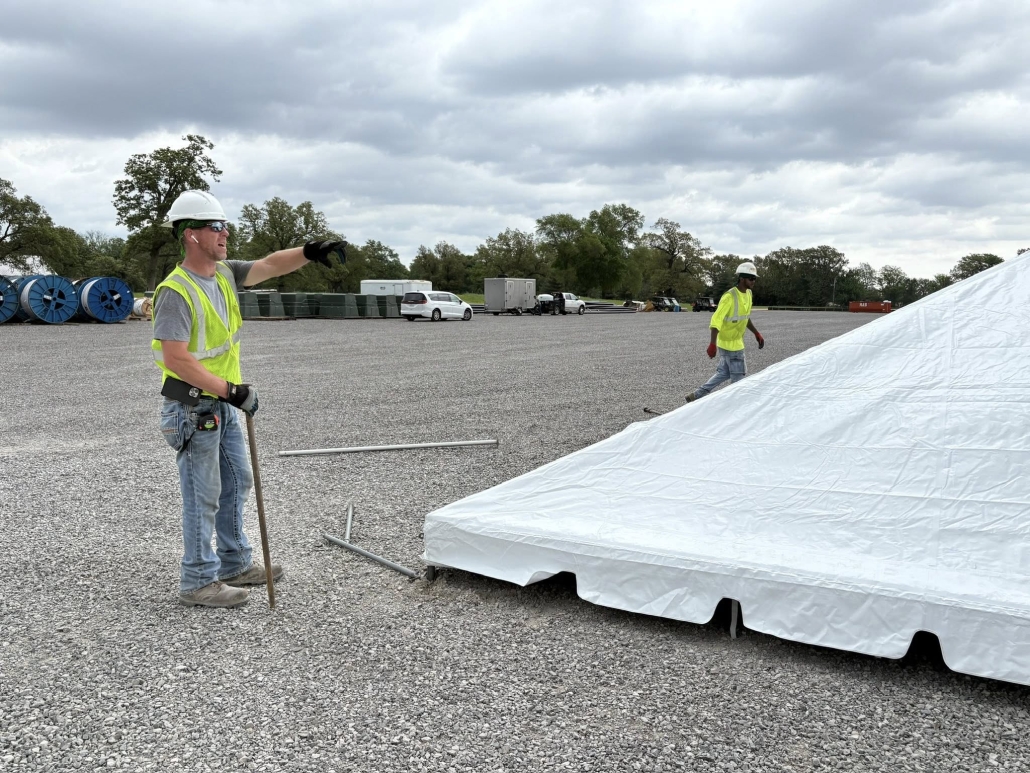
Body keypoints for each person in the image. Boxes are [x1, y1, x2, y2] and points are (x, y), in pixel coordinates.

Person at [153, 190, 346, 608]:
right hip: (192, 405)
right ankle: (197, 581)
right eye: (216, 227)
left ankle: (234, 563)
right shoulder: (175, 291)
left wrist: (310, 251)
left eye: (225, 226)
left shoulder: (223, 274)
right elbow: (176, 358)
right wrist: (231, 391)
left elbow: (270, 265)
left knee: (238, 481)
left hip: (221, 402)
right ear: (191, 235)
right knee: (202, 493)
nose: (225, 234)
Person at [686, 261, 765, 403]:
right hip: (732, 346)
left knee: (723, 372)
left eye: (755, 278)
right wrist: (712, 344)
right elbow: (716, 320)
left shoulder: (748, 294)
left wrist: (756, 333)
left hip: (731, 342)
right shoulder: (729, 296)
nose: (754, 281)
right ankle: (734, 408)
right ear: (742, 278)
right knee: (738, 382)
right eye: (751, 278)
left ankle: (696, 395)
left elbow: (745, 318)